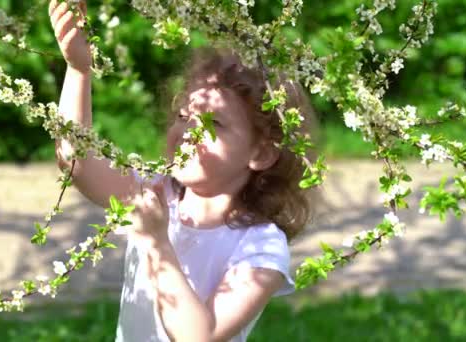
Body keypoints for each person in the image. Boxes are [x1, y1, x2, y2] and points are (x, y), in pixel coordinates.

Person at [49, 1, 318, 340]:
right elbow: (77, 163)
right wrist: (78, 71)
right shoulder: (156, 191)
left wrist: (156, 242)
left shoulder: (261, 246)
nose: (188, 131)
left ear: (260, 152)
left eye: (212, 123)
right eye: (183, 116)